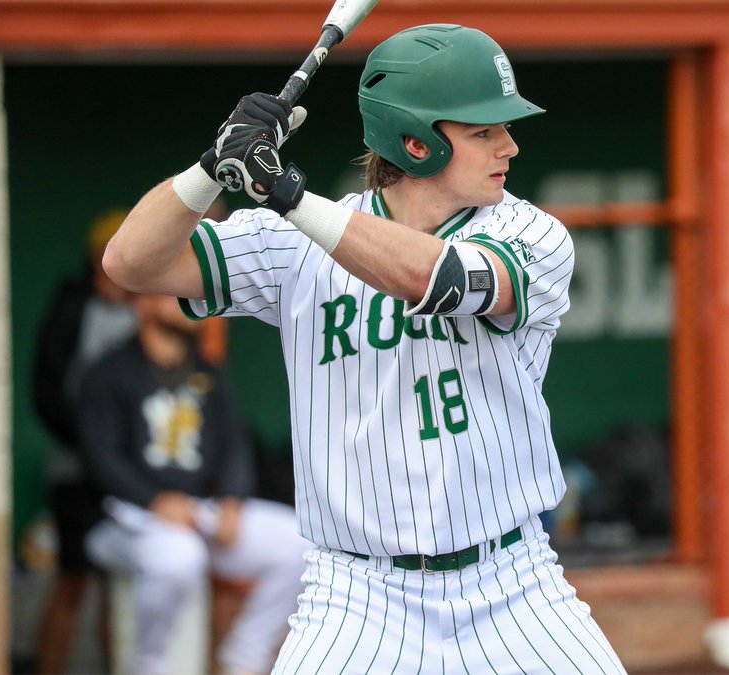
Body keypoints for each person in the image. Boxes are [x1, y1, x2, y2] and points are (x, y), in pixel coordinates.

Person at [103, 23, 625, 674]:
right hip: (356, 596)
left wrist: (285, 194)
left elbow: (431, 276)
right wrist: (211, 166)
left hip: (512, 582)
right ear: (416, 142)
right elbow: (131, 262)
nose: (509, 146)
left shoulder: (532, 233)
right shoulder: (292, 246)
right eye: (484, 131)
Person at [78, 293, 305, 675]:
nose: (189, 301)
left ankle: (243, 658)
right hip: (127, 520)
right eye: (172, 294)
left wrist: (233, 499)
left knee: (300, 545)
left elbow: (235, 443)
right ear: (143, 303)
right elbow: (99, 458)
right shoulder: (108, 372)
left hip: (201, 512)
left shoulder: (207, 371)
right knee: (180, 558)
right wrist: (154, 501)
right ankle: (150, 664)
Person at [31, 209, 137, 674]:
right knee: (72, 583)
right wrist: (92, 444)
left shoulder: (148, 307)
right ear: (98, 258)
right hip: (76, 470)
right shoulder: (73, 307)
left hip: (129, 475)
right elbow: (46, 391)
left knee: (122, 586)